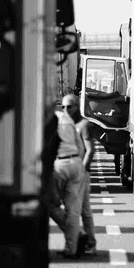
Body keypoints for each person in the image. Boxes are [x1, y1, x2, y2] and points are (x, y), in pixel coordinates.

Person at [49, 109, 88, 259]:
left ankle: (77, 234)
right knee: (73, 211)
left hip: (58, 165)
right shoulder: (66, 119)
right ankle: (71, 248)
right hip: (75, 163)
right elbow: (81, 147)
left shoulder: (45, 117)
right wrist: (78, 163)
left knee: (51, 205)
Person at [62, 93, 97, 255]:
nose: (66, 110)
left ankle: (90, 242)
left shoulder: (84, 125)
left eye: (70, 106)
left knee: (84, 210)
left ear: (77, 107)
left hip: (81, 173)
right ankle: (75, 241)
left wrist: (82, 171)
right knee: (71, 210)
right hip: (71, 172)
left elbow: (90, 150)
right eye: (63, 107)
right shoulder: (66, 124)